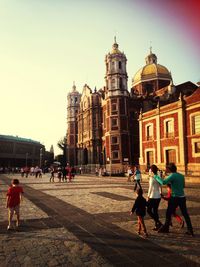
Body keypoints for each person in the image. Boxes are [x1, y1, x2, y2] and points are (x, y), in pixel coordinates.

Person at [158, 163, 194, 236]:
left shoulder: (172, 175)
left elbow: (163, 182)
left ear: (169, 169)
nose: (166, 170)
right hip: (182, 197)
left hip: (175, 197)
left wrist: (156, 176)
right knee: (185, 214)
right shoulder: (181, 176)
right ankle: (190, 230)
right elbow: (183, 186)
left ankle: (166, 228)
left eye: (167, 168)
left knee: (168, 213)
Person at [147, 164, 163, 231]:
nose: (149, 171)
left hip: (152, 196)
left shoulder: (152, 178)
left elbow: (150, 188)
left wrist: (148, 195)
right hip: (158, 196)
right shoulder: (158, 176)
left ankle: (158, 223)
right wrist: (160, 192)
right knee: (155, 211)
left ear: (151, 170)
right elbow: (160, 185)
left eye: (150, 169)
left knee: (149, 210)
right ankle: (157, 225)